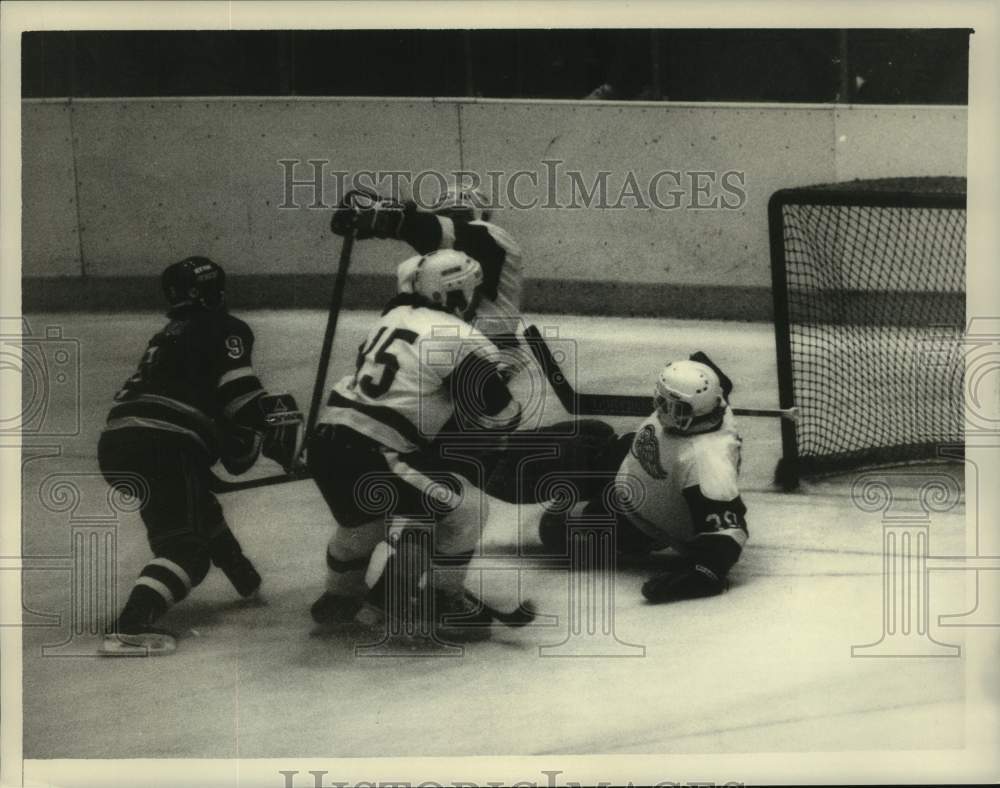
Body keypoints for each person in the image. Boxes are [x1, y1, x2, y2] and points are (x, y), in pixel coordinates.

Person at [307, 248, 522, 639]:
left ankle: (339, 597)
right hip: (374, 451)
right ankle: (443, 602)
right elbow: (502, 417)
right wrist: (499, 375)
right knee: (467, 506)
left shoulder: (391, 317)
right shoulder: (461, 337)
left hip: (325, 442)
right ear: (455, 294)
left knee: (361, 525)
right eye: (471, 291)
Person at [97, 257, 302, 656]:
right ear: (217, 293)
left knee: (191, 508)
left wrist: (243, 575)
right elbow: (242, 399)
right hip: (166, 442)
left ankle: (238, 573)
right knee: (186, 553)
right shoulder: (227, 327)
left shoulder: (166, 334)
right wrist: (284, 444)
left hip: (120, 442)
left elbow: (203, 509)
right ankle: (130, 626)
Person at [537, 355, 749, 602]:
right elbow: (714, 382)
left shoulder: (709, 465)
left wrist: (700, 577)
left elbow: (729, 534)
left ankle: (625, 536)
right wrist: (698, 363)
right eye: (662, 400)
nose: (663, 411)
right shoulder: (709, 405)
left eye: (676, 408)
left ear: (698, 409)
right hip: (641, 469)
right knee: (592, 434)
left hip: (638, 521)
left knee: (554, 531)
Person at [330, 185, 524, 352]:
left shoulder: (493, 236)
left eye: (457, 216)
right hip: (460, 344)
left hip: (488, 346)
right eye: (446, 216)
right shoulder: (439, 256)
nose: (452, 221)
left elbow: (459, 234)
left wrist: (393, 221)